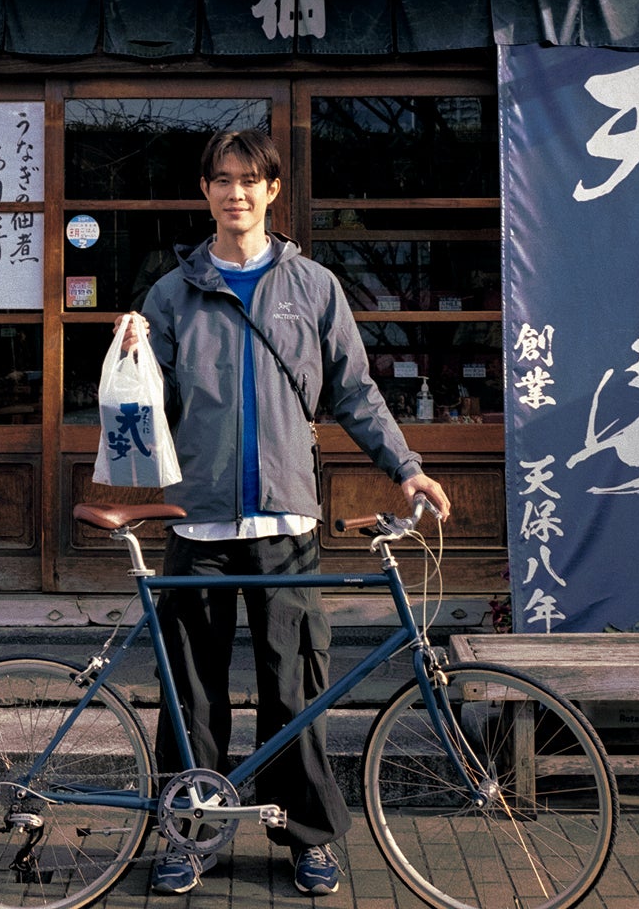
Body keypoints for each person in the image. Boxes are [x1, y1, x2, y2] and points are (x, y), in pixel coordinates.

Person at [117, 129, 452, 897]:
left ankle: (301, 836)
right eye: (221, 179)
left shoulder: (314, 288)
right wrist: (130, 358)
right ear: (204, 191)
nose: (235, 192)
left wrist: (407, 468)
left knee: (294, 688)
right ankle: (188, 831)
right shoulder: (170, 296)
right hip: (198, 524)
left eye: (249, 179)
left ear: (272, 191)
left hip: (287, 525)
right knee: (191, 694)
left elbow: (356, 393)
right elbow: (147, 409)